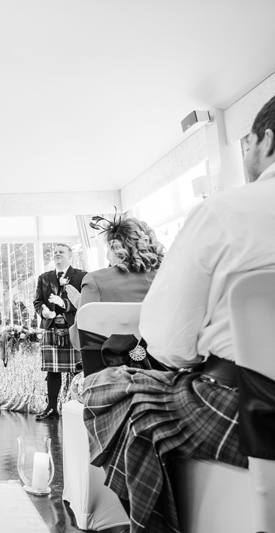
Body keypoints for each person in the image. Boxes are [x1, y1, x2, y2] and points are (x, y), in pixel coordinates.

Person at [81, 94, 275, 533]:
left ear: (266, 140)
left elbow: (169, 342)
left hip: (250, 408)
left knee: (112, 389)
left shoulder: (226, 211)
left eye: (247, 144)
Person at [69, 216, 165, 357]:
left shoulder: (95, 281)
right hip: (167, 369)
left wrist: (81, 306)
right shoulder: (169, 277)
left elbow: (80, 341)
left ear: (113, 247)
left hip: (112, 372)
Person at [33, 243, 86, 420]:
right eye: (54, 252)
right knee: (52, 370)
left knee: (78, 369)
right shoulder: (44, 277)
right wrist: (43, 311)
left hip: (73, 326)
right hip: (51, 326)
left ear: (70, 256)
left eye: (61, 252)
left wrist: (64, 304)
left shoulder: (82, 276)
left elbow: (84, 302)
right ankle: (51, 407)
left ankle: (77, 406)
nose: (57, 254)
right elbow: (38, 301)